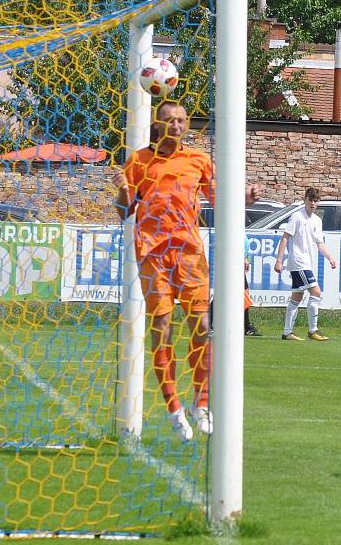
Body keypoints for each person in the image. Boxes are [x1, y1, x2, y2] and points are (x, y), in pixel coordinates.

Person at [113, 101, 263, 442]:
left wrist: (245, 197)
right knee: (162, 325)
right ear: (157, 124)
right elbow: (123, 211)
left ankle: (201, 402)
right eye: (171, 120)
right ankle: (173, 407)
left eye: (182, 120)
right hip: (152, 253)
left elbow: (220, 198)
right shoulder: (138, 161)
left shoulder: (198, 160)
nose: (178, 125)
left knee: (203, 325)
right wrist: (123, 193)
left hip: (189, 254)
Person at [274, 187, 337, 341]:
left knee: (297, 296)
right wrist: (279, 260)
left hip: (307, 263)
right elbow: (284, 238)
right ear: (305, 200)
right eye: (310, 200)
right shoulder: (297, 217)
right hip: (298, 261)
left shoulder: (317, 220)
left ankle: (287, 332)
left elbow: (319, 243)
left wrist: (330, 257)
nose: (313, 203)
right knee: (316, 292)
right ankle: (313, 330)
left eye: (316, 201)